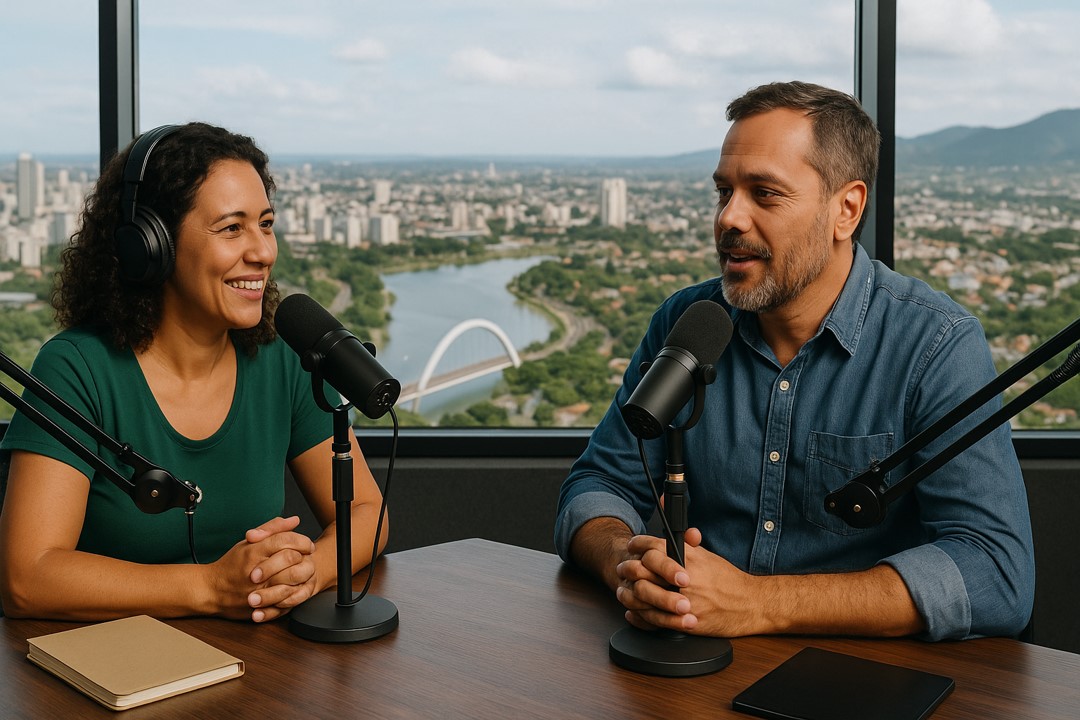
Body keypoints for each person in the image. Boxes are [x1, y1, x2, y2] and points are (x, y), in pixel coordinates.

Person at [554, 81, 1035, 642]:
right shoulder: (687, 322)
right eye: (723, 191)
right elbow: (598, 482)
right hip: (689, 666)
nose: (729, 218)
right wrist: (629, 564)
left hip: (860, 681)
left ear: (846, 209)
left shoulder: (935, 345)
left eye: (765, 193)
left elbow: (996, 572)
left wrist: (761, 604)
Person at [0, 122, 387, 623]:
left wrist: (308, 571)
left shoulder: (282, 359)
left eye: (265, 224)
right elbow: (25, 579)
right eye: (232, 228)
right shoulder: (76, 369)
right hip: (111, 676)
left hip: (254, 672)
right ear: (152, 246)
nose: (264, 251)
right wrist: (208, 588)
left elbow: (367, 512)